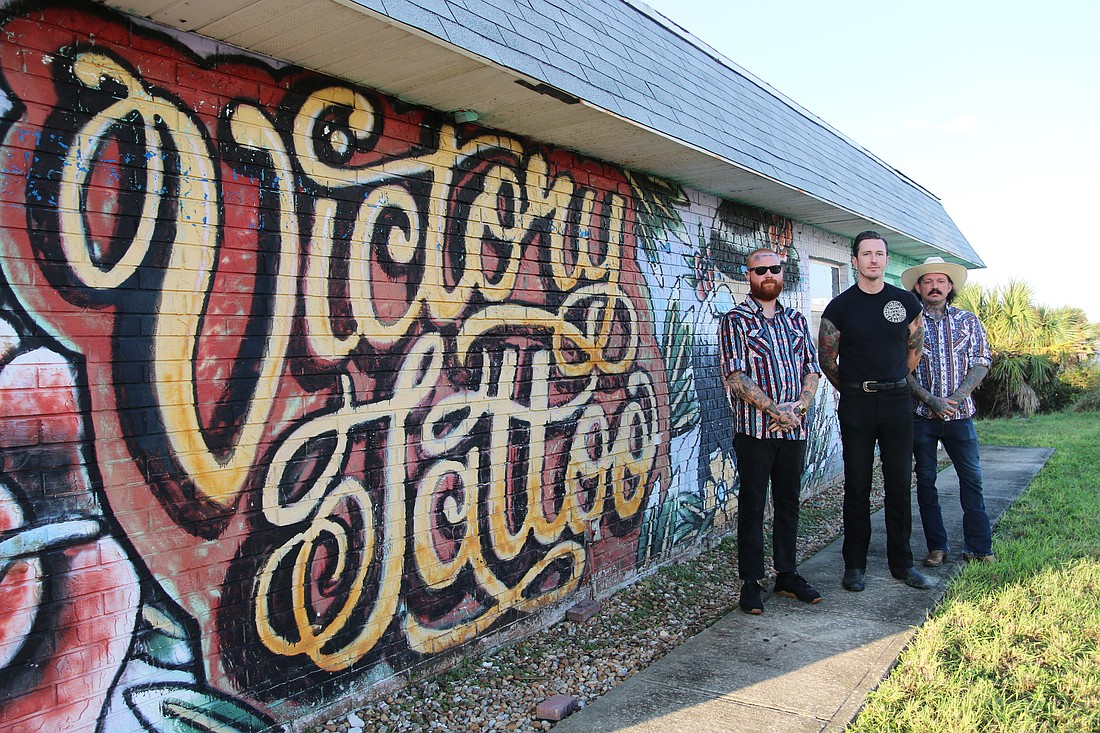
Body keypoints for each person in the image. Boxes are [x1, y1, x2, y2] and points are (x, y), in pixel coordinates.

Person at [818, 231, 933, 592]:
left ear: (886, 260)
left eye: (879, 254)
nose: (872, 260)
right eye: (865, 254)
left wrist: (891, 380)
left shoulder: (905, 303)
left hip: (898, 402)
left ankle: (903, 565)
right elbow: (827, 359)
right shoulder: (840, 307)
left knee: (899, 484)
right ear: (854, 260)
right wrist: (856, 387)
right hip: (857, 403)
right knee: (857, 485)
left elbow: (914, 351)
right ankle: (855, 566)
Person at [718, 248, 823, 614]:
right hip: (754, 433)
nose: (767, 275)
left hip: (794, 431)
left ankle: (787, 575)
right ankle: (750, 582)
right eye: (759, 269)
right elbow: (736, 375)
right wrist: (773, 410)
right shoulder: (735, 320)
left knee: (789, 504)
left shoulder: (795, 319)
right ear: (748, 275)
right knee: (752, 506)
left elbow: (812, 368)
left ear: (782, 274)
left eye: (774, 269)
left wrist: (800, 408)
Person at [902, 256, 995, 566]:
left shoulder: (968, 321)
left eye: (941, 281)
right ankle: (936, 547)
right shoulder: (909, 323)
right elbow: (901, 370)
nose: (934, 286)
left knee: (972, 480)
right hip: (921, 417)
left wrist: (955, 397)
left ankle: (979, 548)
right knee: (926, 482)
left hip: (960, 416)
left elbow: (981, 362)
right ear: (918, 286)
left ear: (950, 286)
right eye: (928, 281)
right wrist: (931, 400)